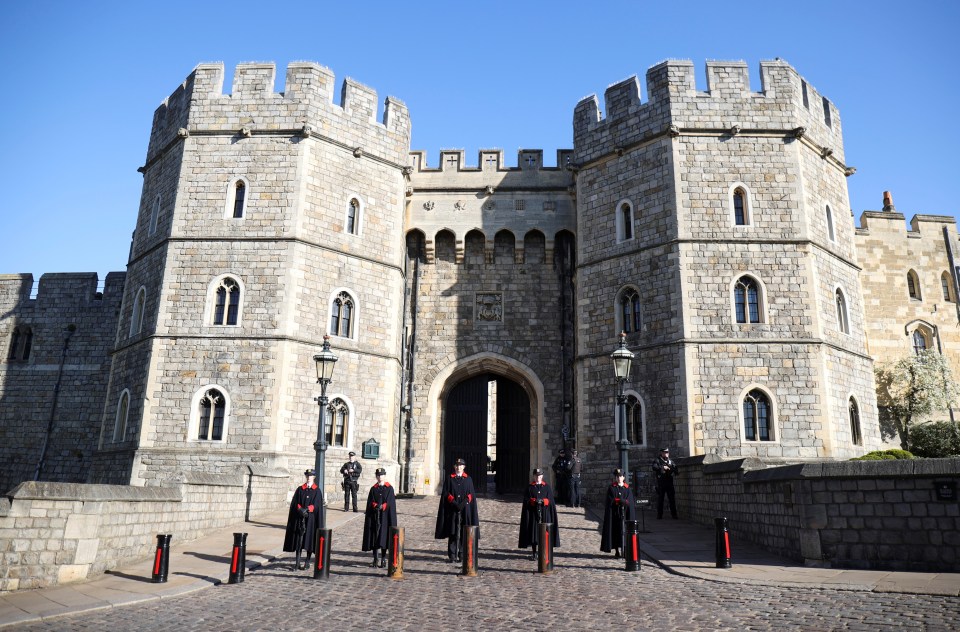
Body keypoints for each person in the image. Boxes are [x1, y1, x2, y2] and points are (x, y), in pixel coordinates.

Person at [434, 458, 480, 563]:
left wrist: (462, 504)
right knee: (453, 531)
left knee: (464, 532)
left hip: (465, 510)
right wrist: (455, 503)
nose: (458, 467)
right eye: (457, 465)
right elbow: (446, 493)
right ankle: (452, 555)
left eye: (460, 465)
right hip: (453, 509)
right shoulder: (450, 479)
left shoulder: (468, 479)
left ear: (464, 467)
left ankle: (462, 554)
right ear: (455, 467)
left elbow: (470, 495)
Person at [283, 469, 323, 569]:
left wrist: (308, 509)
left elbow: (317, 504)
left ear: (314, 477)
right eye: (307, 476)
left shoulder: (317, 491)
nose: (309, 477)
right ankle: (297, 562)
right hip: (300, 519)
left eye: (311, 476)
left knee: (309, 540)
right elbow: (295, 502)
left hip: (311, 519)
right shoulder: (300, 489)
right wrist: (300, 509)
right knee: (299, 541)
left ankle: (307, 562)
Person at [518, 468, 560, 560]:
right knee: (534, 534)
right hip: (533, 514)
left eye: (540, 476)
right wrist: (534, 501)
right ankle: (534, 553)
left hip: (545, 513)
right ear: (533, 476)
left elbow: (551, 501)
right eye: (536, 476)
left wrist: (544, 501)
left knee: (545, 533)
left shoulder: (547, 487)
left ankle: (544, 552)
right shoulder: (530, 488)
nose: (538, 478)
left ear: (542, 476)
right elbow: (526, 500)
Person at [361, 467, 398, 568]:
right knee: (374, 537)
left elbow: (391, 502)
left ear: (384, 476)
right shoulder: (374, 489)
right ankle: (375, 558)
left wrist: (384, 506)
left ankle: (383, 559)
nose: (380, 477)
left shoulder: (389, 488)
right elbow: (370, 501)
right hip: (375, 516)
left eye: (381, 475)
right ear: (376, 476)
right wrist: (375, 505)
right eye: (378, 475)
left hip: (385, 517)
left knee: (384, 537)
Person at [600, 468, 636, 558]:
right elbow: (610, 500)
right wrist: (619, 501)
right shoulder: (612, 488)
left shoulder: (627, 488)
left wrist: (625, 502)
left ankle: (625, 548)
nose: (619, 478)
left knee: (624, 532)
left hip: (624, 514)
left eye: (620, 476)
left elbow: (630, 501)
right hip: (615, 514)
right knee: (615, 532)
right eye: (617, 476)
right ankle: (616, 550)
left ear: (623, 477)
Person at [652, 447, 679, 519]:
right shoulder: (657, 460)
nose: (666, 454)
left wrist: (672, 470)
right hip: (661, 483)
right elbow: (654, 467)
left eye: (667, 452)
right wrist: (663, 467)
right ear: (661, 453)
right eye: (664, 452)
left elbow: (676, 470)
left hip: (669, 483)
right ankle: (659, 515)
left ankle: (674, 515)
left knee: (672, 500)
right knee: (660, 500)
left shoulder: (670, 461)